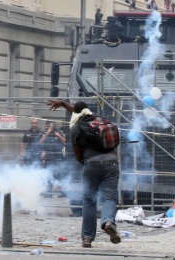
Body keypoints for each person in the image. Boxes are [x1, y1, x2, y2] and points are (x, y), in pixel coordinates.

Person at [47, 99, 121, 248]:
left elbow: (77, 154)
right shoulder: (100, 120)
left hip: (91, 164)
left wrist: (85, 162)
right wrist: (62, 103)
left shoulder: (76, 128)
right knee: (109, 197)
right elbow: (78, 109)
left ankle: (87, 237)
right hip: (112, 162)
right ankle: (108, 222)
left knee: (89, 201)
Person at [39, 121, 66, 194]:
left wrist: (59, 136)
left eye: (52, 126)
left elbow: (65, 142)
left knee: (60, 174)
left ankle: (62, 192)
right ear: (46, 126)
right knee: (48, 173)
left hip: (58, 156)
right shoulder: (44, 133)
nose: (51, 127)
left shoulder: (59, 132)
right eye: (49, 126)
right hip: (48, 156)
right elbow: (40, 142)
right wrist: (47, 133)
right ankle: (49, 192)